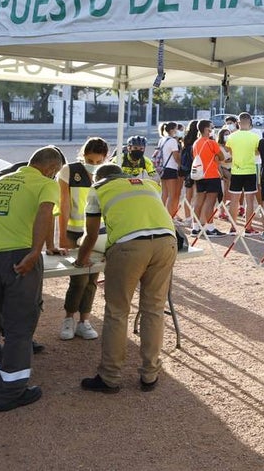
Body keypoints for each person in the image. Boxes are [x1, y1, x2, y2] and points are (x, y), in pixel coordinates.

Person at [0, 145, 65, 412]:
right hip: (20, 259)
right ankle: (11, 392)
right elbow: (45, 213)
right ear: (52, 169)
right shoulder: (46, 184)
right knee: (18, 328)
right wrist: (36, 251)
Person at [77, 164, 177, 393]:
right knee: (154, 309)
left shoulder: (98, 189)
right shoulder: (148, 184)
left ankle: (110, 377)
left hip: (129, 247)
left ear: (98, 178)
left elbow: (91, 234)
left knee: (117, 312)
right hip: (166, 243)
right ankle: (150, 375)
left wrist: (81, 260)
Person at [56, 136, 109, 342]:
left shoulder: (108, 174)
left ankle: (84, 321)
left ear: (105, 158)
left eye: (98, 162)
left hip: (99, 233)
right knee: (78, 278)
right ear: (83, 155)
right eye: (90, 160)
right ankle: (69, 318)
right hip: (74, 232)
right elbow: (63, 205)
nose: (94, 165)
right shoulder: (69, 170)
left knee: (92, 279)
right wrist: (62, 236)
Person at [226, 112, 262, 226]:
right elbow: (257, 152)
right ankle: (249, 227)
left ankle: (232, 227)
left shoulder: (232, 136)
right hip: (250, 170)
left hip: (236, 171)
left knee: (234, 200)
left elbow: (229, 151)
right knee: (249, 200)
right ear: (250, 122)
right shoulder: (255, 137)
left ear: (238, 122)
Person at [191, 119, 225, 237]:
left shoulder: (196, 143)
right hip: (211, 175)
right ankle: (210, 228)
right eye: (211, 127)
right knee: (210, 202)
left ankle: (195, 227)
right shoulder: (211, 142)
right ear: (206, 129)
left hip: (200, 175)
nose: (212, 129)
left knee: (199, 201)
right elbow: (221, 156)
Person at [155, 121, 183, 217]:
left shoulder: (162, 139)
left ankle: (160, 214)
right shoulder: (172, 141)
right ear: (172, 130)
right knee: (172, 194)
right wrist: (180, 164)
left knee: (164, 193)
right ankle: (170, 216)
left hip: (162, 168)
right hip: (171, 168)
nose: (177, 131)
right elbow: (176, 156)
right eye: (176, 129)